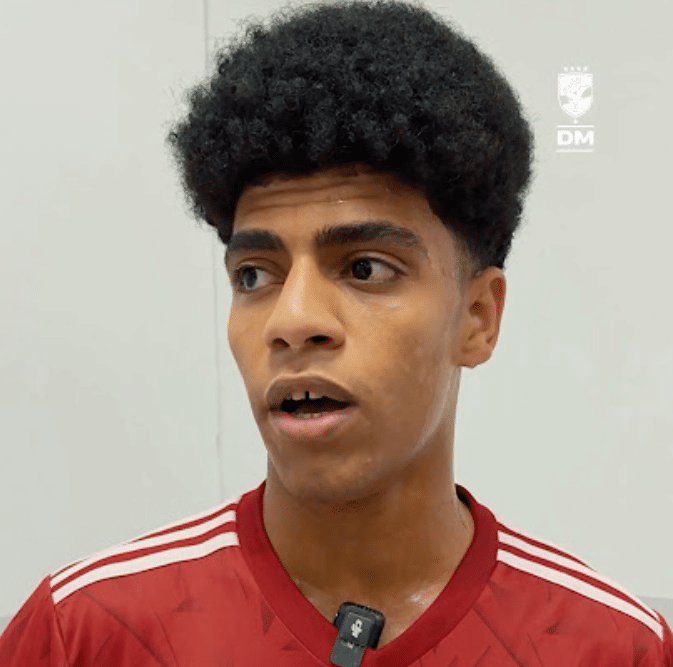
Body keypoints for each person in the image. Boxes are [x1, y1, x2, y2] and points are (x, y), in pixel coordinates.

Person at [2, 0, 671, 664]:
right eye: (254, 275)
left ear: (477, 318)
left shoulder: (615, 649)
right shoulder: (83, 634)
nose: (291, 321)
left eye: (364, 268)